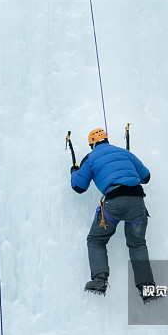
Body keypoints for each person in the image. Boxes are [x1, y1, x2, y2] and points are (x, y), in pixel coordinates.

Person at [70, 128, 158, 302]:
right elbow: (146, 177)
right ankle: (147, 288)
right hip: (137, 203)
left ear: (92, 144)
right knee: (137, 244)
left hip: (114, 203)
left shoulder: (91, 157)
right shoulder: (125, 153)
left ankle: (99, 280)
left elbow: (79, 187)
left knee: (96, 240)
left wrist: (74, 170)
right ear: (106, 140)